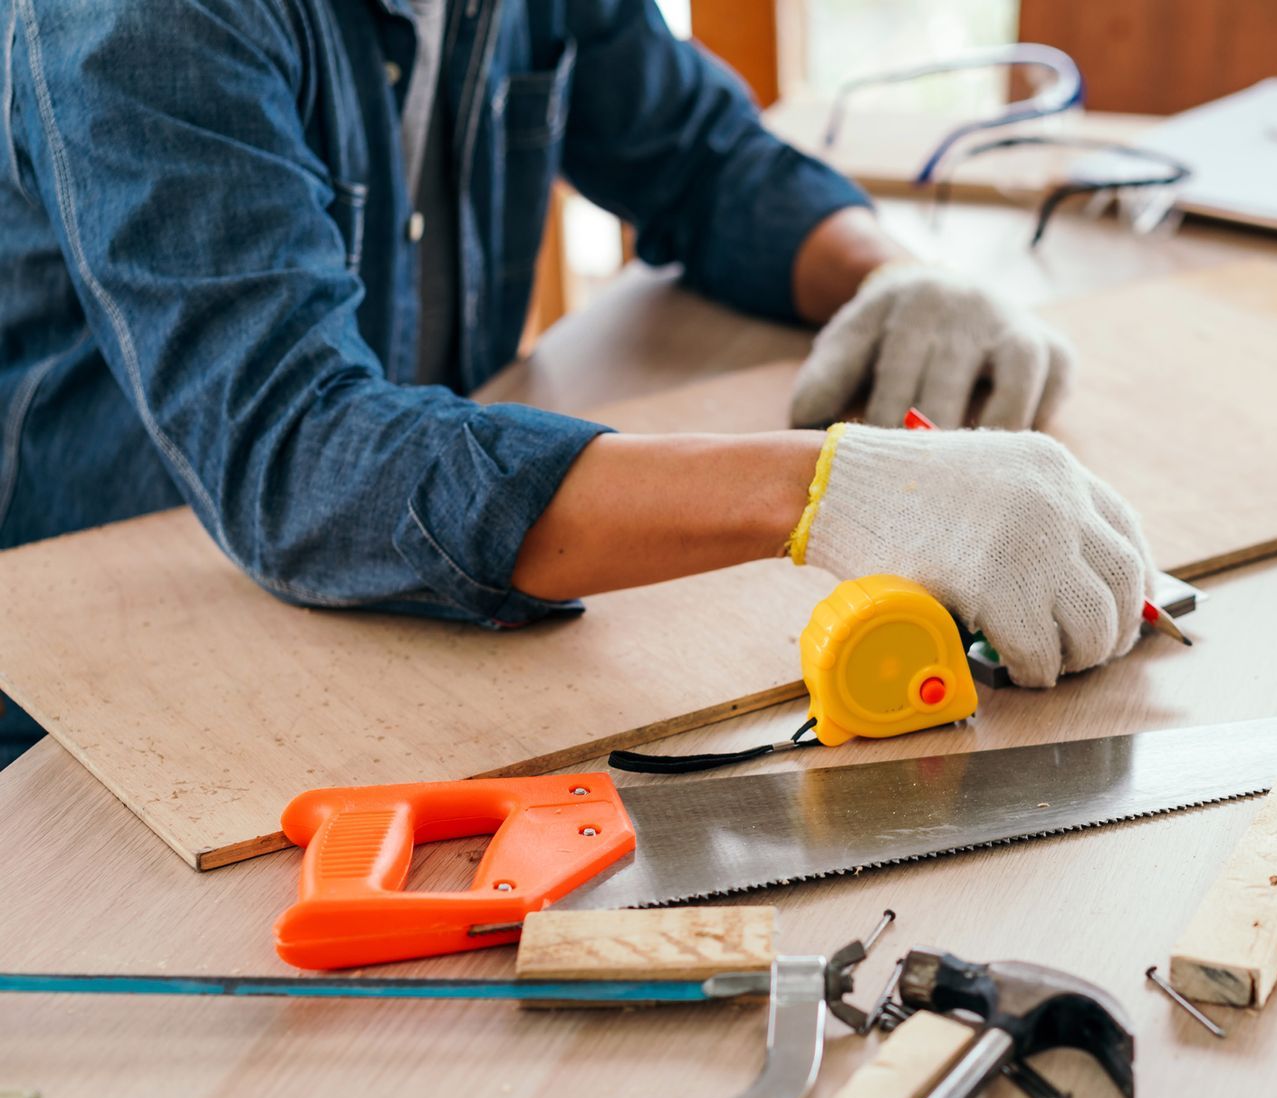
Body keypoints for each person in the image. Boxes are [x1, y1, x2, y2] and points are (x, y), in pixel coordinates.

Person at [0, 0, 1154, 766]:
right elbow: (298, 456)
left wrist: (898, 279)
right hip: (97, 715)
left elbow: (705, 162)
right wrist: (829, 491)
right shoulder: (136, 19)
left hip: (392, 620)